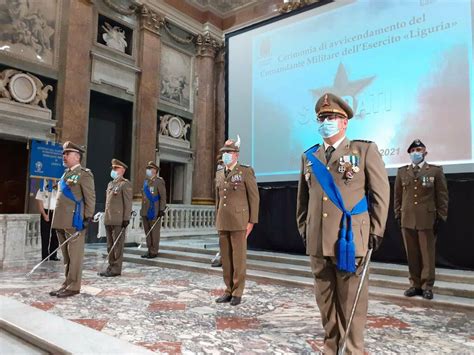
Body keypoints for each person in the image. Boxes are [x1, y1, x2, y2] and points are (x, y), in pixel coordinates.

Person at [296, 93, 390, 354]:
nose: (326, 121)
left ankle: (352, 350)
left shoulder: (363, 151)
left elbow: (381, 194)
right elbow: (302, 201)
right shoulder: (309, 156)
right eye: (322, 118)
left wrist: (376, 230)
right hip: (317, 240)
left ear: (345, 121)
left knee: (351, 304)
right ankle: (330, 346)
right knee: (325, 302)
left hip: (350, 240)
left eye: (331, 117)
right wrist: (305, 229)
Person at [394, 139, 449, 300]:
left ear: (425, 152)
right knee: (412, 254)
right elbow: (397, 196)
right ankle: (414, 285)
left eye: (418, 150)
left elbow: (442, 196)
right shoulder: (402, 172)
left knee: (427, 254)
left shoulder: (435, 171)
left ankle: (427, 286)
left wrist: (441, 216)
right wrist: (398, 214)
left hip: (427, 218)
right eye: (412, 151)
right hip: (407, 218)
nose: (415, 153)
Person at [214, 137, 260, 306]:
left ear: (236, 155)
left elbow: (254, 198)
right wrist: (217, 218)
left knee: (238, 258)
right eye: (224, 152)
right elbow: (218, 200)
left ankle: (237, 292)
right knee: (226, 258)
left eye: (229, 152)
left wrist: (252, 221)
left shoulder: (245, 171)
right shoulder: (219, 174)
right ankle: (228, 289)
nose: (225, 155)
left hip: (240, 221)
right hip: (223, 220)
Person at [50, 141, 96, 298]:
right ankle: (66, 283)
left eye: (67, 153)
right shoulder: (65, 174)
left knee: (75, 256)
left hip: (75, 220)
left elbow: (90, 198)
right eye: (64, 153)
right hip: (62, 220)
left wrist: (87, 217)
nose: (64, 156)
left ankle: (74, 286)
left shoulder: (84, 174)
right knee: (66, 256)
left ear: (77, 157)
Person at [99, 159, 133, 277]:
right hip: (109, 219)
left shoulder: (125, 184)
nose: (113, 171)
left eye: (116, 168)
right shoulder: (111, 184)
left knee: (117, 246)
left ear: (122, 170)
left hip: (119, 220)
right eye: (112, 168)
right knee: (110, 245)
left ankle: (116, 269)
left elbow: (128, 203)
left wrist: (126, 219)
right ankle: (110, 266)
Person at [140, 161, 166, 259]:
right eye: (147, 168)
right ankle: (149, 250)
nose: (148, 170)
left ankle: (154, 251)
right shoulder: (146, 181)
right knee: (148, 232)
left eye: (150, 168)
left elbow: (163, 197)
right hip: (145, 211)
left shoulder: (159, 181)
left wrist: (161, 209)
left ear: (155, 170)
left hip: (154, 211)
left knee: (154, 232)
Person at [35, 181, 59, 261]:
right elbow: (39, 202)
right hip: (46, 212)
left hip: (56, 213)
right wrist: (44, 215)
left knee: (56, 235)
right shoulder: (42, 188)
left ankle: (53, 255)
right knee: (45, 235)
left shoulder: (60, 189)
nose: (53, 181)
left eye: (55, 180)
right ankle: (44, 256)